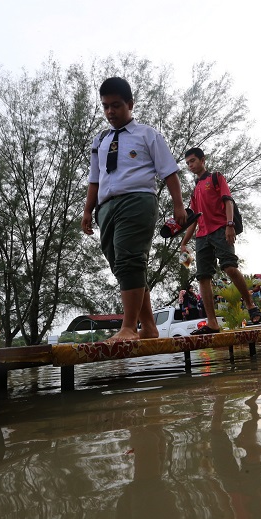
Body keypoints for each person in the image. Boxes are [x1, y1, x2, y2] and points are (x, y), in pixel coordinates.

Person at [81, 77, 186, 341]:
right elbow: (94, 178)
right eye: (105, 106)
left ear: (130, 104)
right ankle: (149, 327)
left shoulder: (147, 134)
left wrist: (178, 205)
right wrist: (87, 211)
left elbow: (169, 172)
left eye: (116, 105)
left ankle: (129, 327)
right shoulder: (100, 141)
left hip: (137, 201)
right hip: (106, 207)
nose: (110, 112)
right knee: (121, 265)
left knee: (130, 259)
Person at [178, 148, 261, 334]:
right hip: (202, 236)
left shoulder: (215, 178)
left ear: (202, 160)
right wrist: (184, 242)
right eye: (188, 163)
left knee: (229, 267)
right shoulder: (195, 190)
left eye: (193, 161)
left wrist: (230, 225)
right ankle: (212, 322)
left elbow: (228, 201)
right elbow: (193, 220)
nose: (191, 165)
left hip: (221, 230)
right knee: (203, 277)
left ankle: (250, 305)